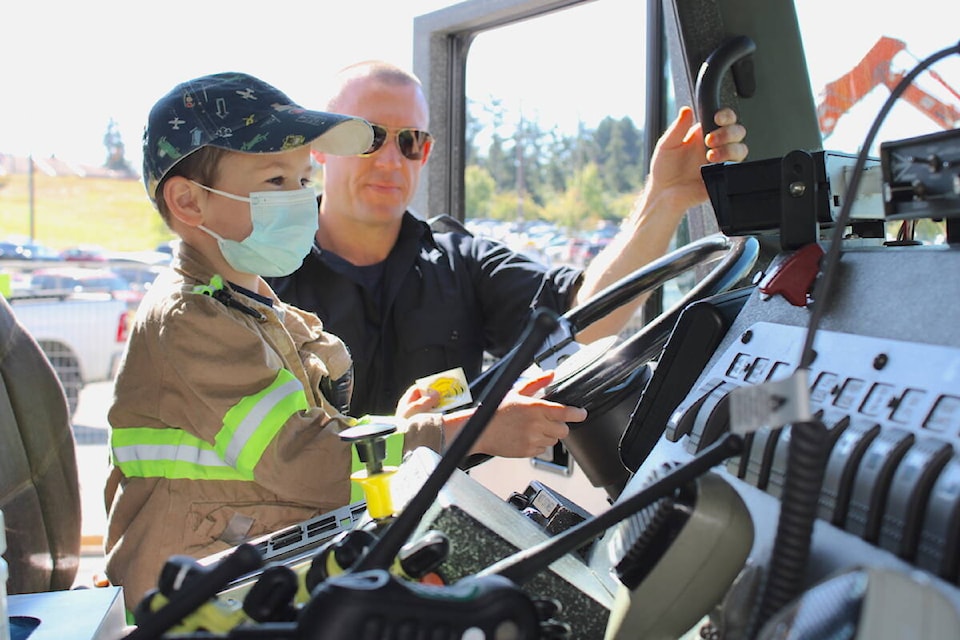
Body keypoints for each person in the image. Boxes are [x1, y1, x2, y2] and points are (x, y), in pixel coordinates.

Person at [102, 71, 584, 608]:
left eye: (302, 180)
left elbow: (309, 438)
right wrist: (470, 431)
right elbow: (309, 463)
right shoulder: (189, 320)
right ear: (190, 203)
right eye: (275, 182)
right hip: (194, 603)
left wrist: (404, 427)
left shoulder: (252, 306)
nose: (300, 198)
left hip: (246, 576)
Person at [267, 60, 749, 418]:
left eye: (410, 141)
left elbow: (587, 317)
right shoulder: (258, 276)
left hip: (432, 528)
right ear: (321, 149)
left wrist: (663, 200)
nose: (391, 160)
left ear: (426, 151)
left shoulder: (461, 265)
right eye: (368, 137)